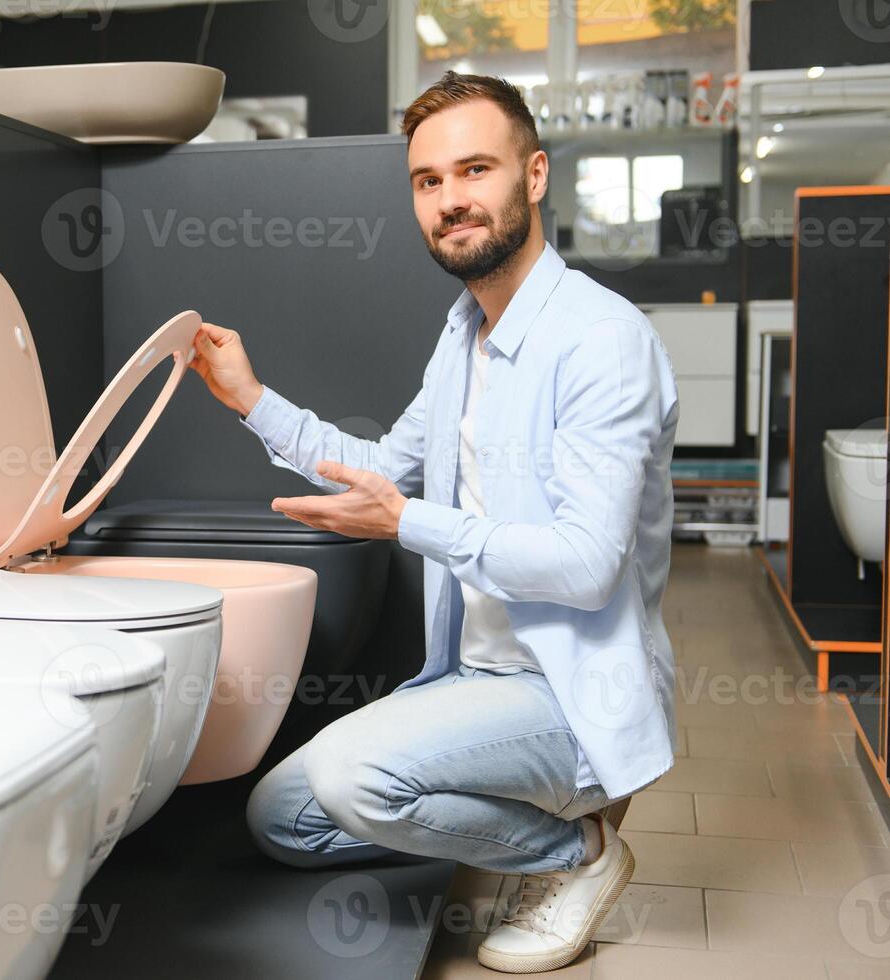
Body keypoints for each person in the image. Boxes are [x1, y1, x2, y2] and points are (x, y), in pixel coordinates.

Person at [188, 71, 679, 974]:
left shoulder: (601, 341)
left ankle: (575, 855)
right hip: (474, 681)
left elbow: (585, 567)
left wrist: (408, 522)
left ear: (532, 177)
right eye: (427, 181)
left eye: (474, 170)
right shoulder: (465, 333)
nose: (451, 200)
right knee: (282, 819)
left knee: (349, 780)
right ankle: (502, 820)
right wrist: (249, 399)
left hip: (570, 696)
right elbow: (381, 467)